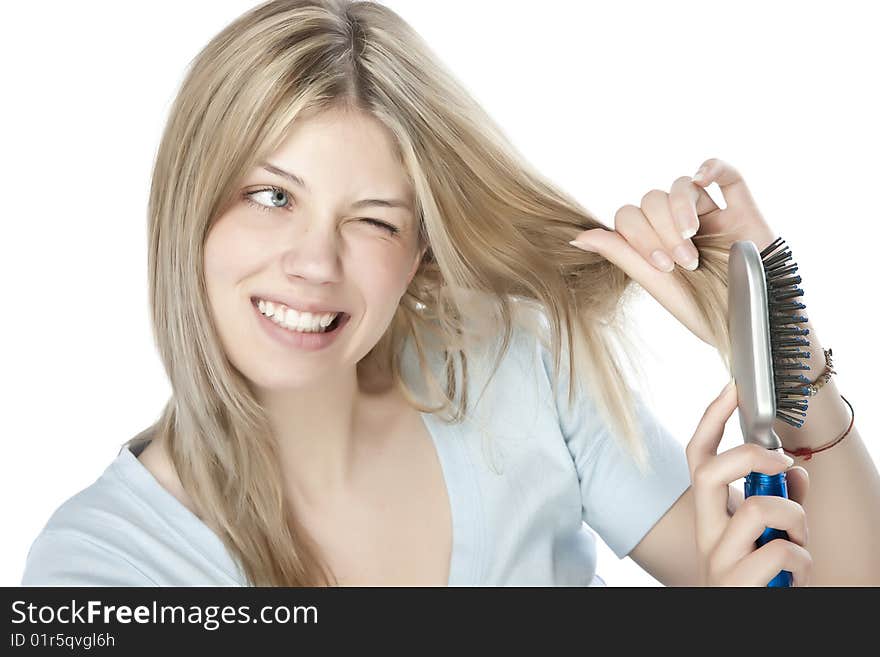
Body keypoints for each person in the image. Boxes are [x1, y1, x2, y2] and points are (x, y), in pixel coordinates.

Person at [21, 0, 879, 587]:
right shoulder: (104, 567)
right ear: (189, 205)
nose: (313, 263)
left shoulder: (516, 365)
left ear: (420, 251)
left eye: (372, 220)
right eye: (272, 196)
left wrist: (778, 349)